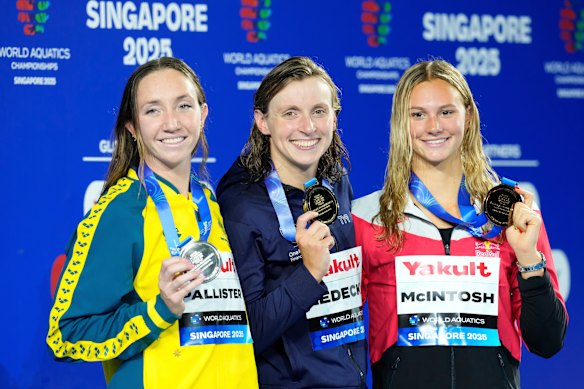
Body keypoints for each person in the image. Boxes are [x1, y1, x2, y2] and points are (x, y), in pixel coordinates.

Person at [352, 59, 568, 388]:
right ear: (401, 123)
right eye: (418, 114)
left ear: (468, 116)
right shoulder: (367, 217)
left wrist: (528, 260)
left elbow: (548, 341)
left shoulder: (511, 215)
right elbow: (336, 332)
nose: (433, 126)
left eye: (446, 112)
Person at [46, 57, 258, 388]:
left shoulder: (209, 200)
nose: (171, 123)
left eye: (183, 106)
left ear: (203, 114)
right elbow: (66, 335)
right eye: (153, 110)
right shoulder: (121, 211)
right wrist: (158, 310)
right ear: (132, 127)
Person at [216, 56, 368, 388]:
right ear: (262, 121)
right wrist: (310, 273)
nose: (308, 127)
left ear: (334, 116)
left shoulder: (336, 181)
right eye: (290, 113)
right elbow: (245, 330)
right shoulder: (241, 206)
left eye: (319, 111)